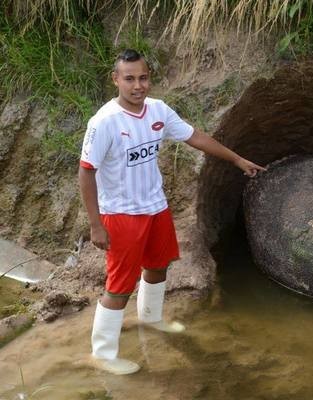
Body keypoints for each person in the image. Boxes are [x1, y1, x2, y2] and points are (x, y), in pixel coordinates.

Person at [78, 48, 266, 375]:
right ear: (116, 80)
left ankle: (151, 319)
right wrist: (96, 225)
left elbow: (195, 137)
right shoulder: (104, 122)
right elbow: (86, 171)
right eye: (130, 79)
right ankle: (103, 355)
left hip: (156, 208)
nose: (138, 85)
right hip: (121, 215)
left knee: (158, 267)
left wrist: (236, 159)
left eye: (143, 78)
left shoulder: (158, 111)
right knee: (119, 286)